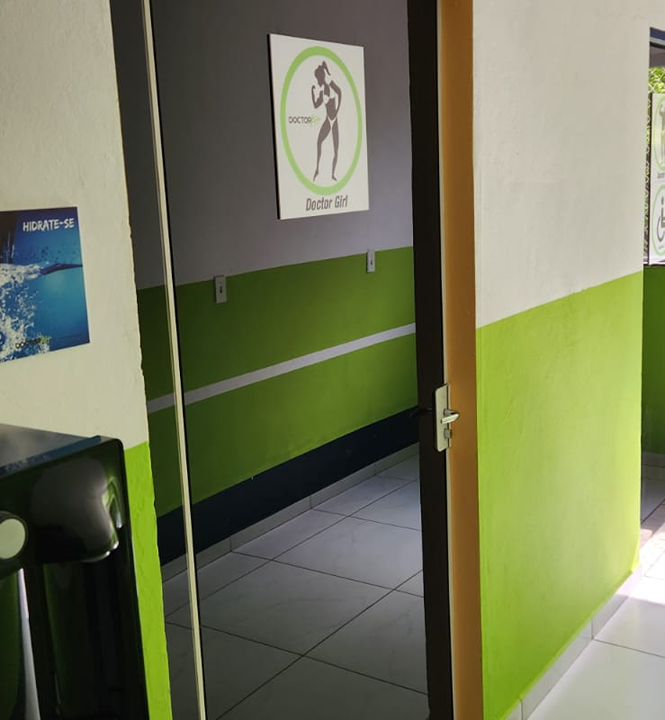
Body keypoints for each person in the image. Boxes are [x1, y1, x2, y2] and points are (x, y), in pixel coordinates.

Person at [311, 61, 342, 182]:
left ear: (321, 77)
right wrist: (312, 92)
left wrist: (338, 109)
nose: (317, 81)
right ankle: (317, 169)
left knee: (336, 150)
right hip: (328, 120)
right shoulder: (321, 91)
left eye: (318, 78)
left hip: (334, 120)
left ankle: (333, 174)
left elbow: (340, 92)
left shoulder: (330, 85)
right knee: (319, 142)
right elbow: (315, 105)